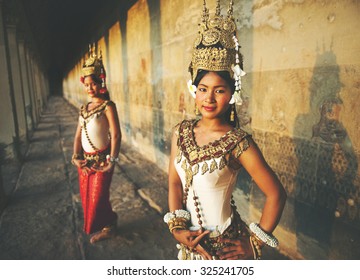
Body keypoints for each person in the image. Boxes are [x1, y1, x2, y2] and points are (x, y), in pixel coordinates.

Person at [165, 0, 287, 260]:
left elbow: (276, 193)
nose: (209, 98)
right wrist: (177, 228)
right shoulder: (181, 132)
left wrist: (254, 243)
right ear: (194, 91)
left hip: (225, 250)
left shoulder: (238, 142)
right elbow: (175, 182)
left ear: (232, 93)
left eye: (219, 90)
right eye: (202, 89)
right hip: (189, 247)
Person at [71, 45, 121, 244]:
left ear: (101, 83)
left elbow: (116, 135)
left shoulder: (108, 106)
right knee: (87, 199)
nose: (90, 88)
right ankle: (107, 224)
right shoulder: (84, 109)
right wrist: (76, 157)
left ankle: (110, 225)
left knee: (98, 197)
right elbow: (77, 136)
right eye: (87, 84)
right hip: (85, 162)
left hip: (103, 160)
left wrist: (113, 160)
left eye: (94, 83)